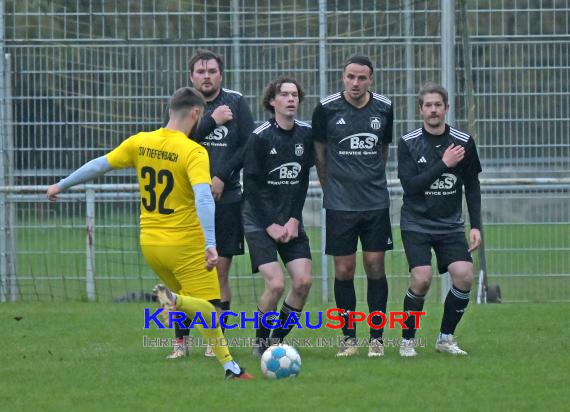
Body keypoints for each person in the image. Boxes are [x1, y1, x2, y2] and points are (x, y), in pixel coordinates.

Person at [47, 87, 253, 380]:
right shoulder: (193, 151)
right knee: (209, 306)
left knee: (198, 304)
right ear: (197, 114)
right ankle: (179, 306)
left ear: (170, 111)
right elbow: (204, 198)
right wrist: (210, 243)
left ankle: (230, 367)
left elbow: (99, 165)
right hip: (184, 244)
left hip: (151, 244)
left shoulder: (140, 142)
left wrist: (61, 184)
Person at [166, 49, 255, 359]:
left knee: (218, 272)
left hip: (227, 197)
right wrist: (211, 123)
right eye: (201, 71)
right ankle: (180, 342)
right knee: (183, 276)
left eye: (212, 71)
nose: (207, 76)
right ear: (192, 76)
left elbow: (248, 145)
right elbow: (175, 141)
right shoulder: (183, 104)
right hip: (186, 200)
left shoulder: (236, 102)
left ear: (221, 74)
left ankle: (214, 341)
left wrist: (221, 176)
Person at [312, 54, 393, 357]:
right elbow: (319, 153)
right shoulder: (326, 108)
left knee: (374, 265)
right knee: (345, 269)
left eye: (361, 77)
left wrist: (369, 178)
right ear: (343, 77)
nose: (355, 83)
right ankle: (349, 339)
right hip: (339, 204)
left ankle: (377, 338)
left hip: (374, 202)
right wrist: (330, 188)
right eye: (350, 77)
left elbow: (382, 150)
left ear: (371, 79)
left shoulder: (384, 107)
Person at [397, 82, 482, 357]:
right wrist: (444, 164)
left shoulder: (463, 142)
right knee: (421, 279)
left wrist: (476, 225)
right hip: (416, 222)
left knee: (464, 275)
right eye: (428, 105)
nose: (433, 110)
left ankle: (445, 338)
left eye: (438, 105)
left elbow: (472, 185)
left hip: (450, 224)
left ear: (446, 108)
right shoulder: (409, 143)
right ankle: (407, 340)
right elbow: (411, 187)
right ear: (420, 109)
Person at [242, 77, 313, 358]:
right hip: (259, 219)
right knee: (276, 284)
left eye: (294, 94)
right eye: (284, 94)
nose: (290, 99)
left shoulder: (305, 135)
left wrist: (294, 218)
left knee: (303, 282)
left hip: (289, 219)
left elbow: (302, 180)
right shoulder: (259, 136)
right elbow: (252, 186)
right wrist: (270, 223)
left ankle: (277, 342)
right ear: (272, 101)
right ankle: (260, 342)